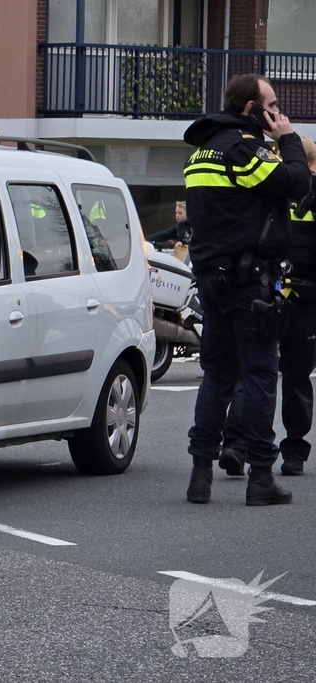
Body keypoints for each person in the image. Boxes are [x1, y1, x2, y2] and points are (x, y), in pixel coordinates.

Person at [182, 74, 312, 506]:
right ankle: (261, 477)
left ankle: (200, 475)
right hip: (248, 281)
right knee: (258, 374)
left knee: (217, 376)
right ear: (251, 108)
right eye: (272, 105)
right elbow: (295, 182)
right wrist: (289, 138)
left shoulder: (203, 149)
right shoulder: (243, 147)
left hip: (213, 279)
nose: (277, 112)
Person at [220, 136, 316, 478]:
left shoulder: (267, 189)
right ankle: (293, 453)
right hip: (304, 301)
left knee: (253, 372)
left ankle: (236, 444)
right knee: (296, 377)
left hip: (263, 292)